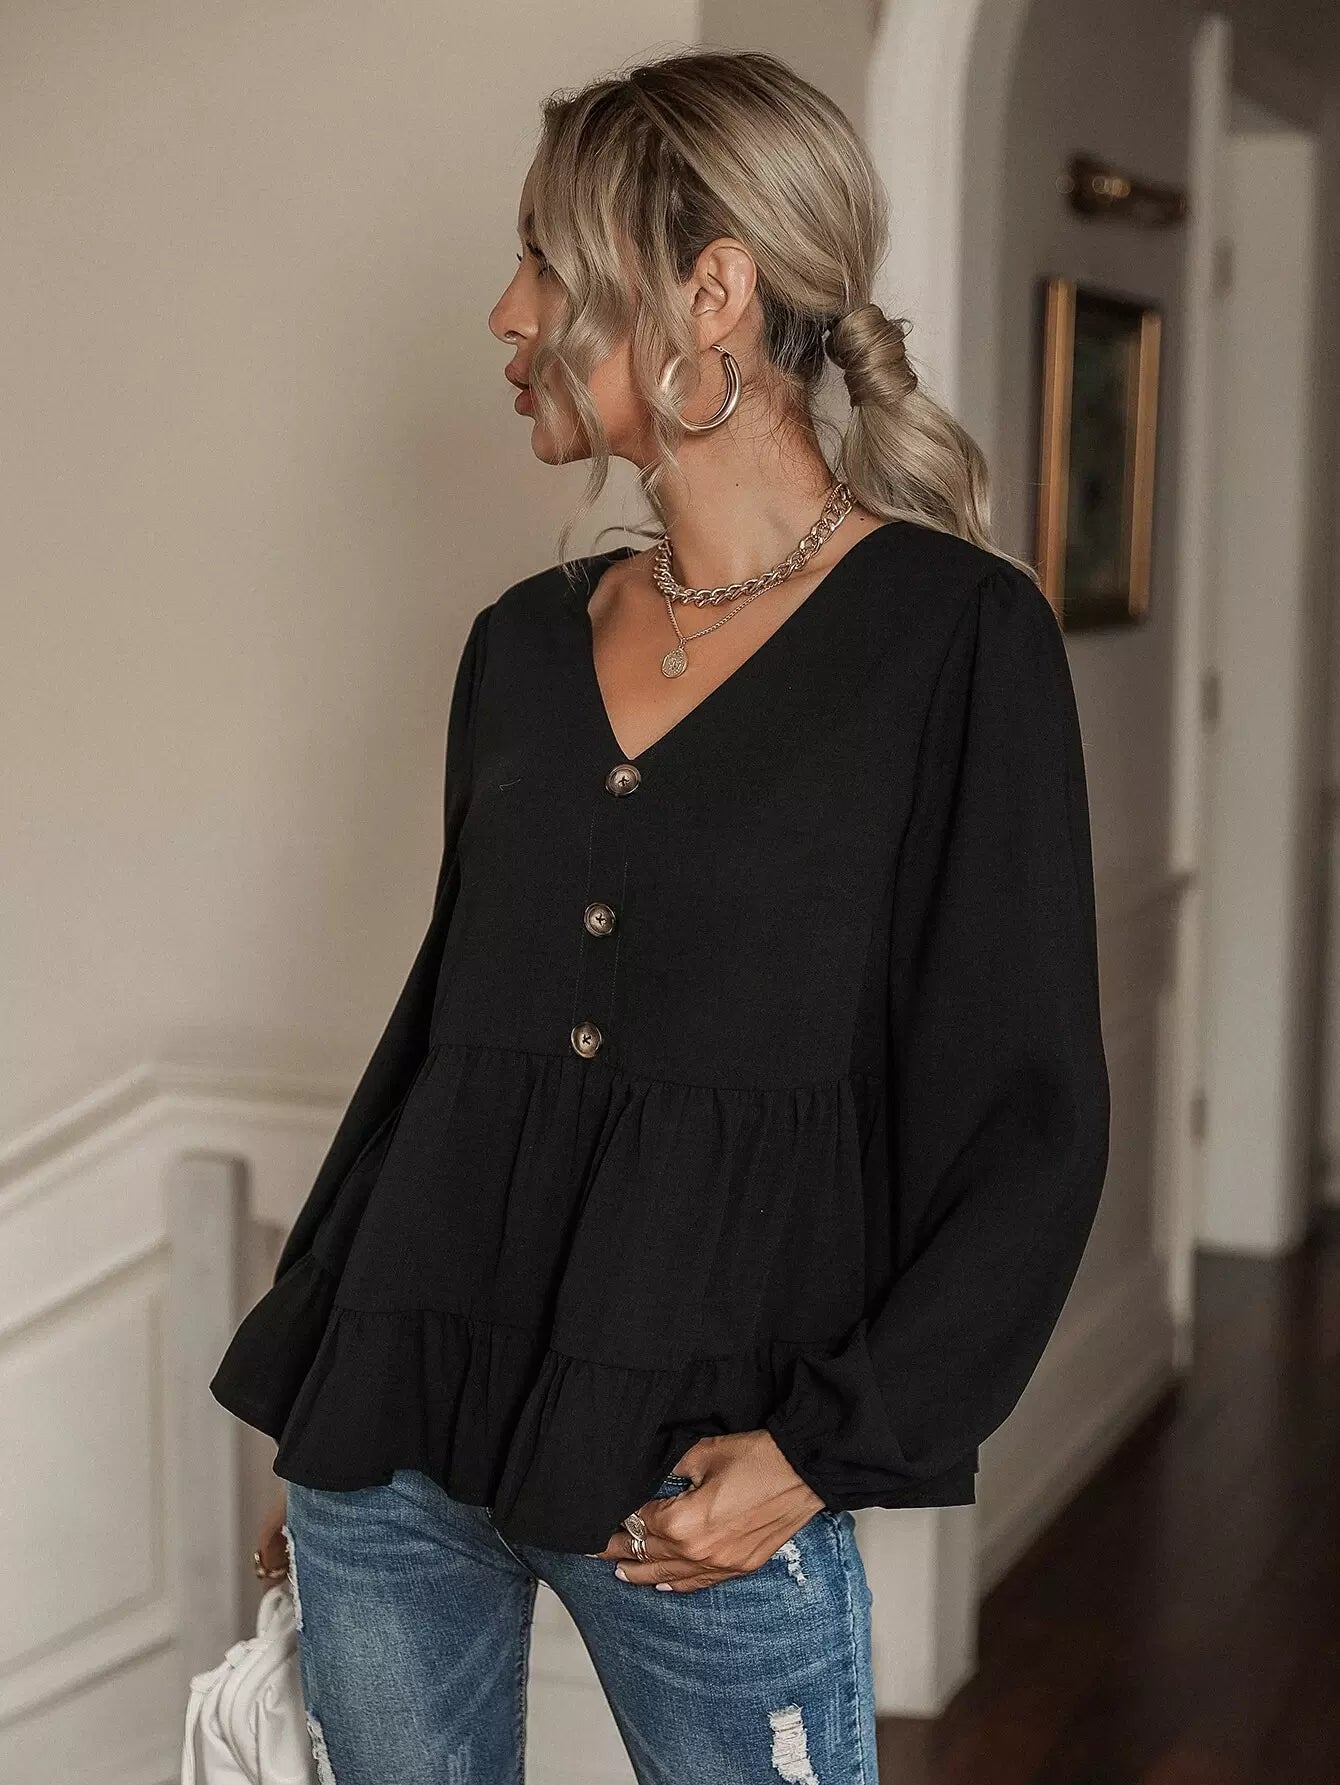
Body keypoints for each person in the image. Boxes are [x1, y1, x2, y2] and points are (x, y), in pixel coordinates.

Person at [210, 46, 1110, 1785]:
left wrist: (826, 1448)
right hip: (393, 1451)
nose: (507, 311)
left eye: (546, 262)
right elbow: (441, 1039)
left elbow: (1030, 1118)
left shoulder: (958, 641)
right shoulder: (520, 644)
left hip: (709, 1477)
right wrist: (332, 1384)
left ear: (713, 292)